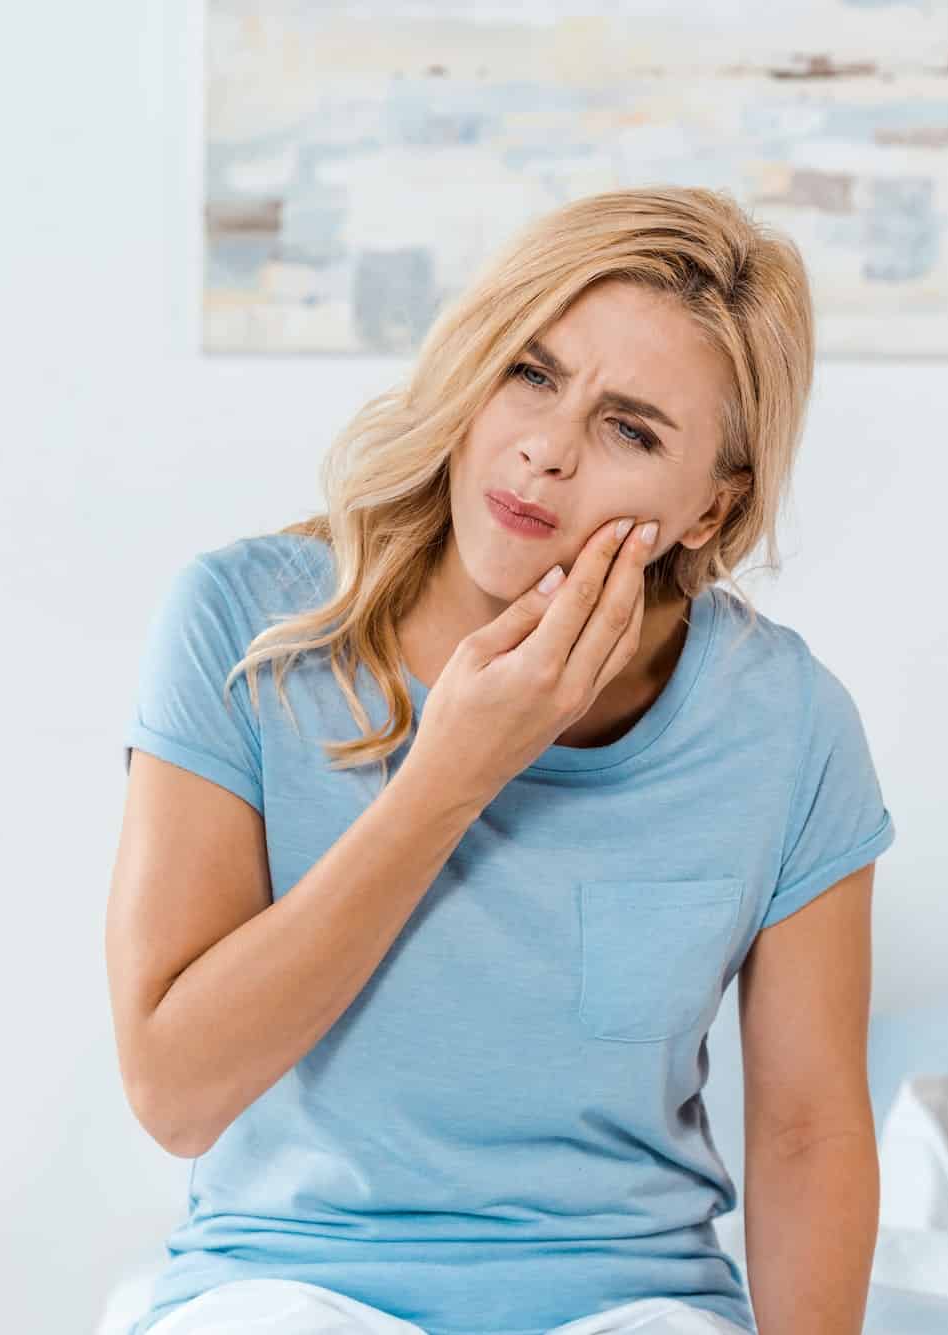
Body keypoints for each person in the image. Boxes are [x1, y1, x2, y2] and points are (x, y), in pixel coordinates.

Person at [106, 185, 895, 1335]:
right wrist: (450, 774)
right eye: (530, 372)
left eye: (629, 429)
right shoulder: (243, 625)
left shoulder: (784, 724)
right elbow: (173, 1095)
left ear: (709, 508)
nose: (544, 449)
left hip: (631, 1302)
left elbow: (806, 1129)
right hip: (285, 1284)